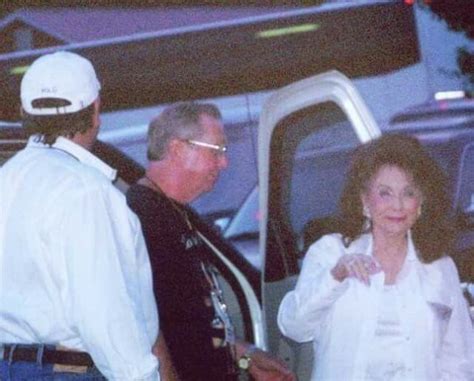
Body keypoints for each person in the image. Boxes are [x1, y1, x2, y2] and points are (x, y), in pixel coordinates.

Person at [0, 51, 160, 380]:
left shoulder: (7, 178)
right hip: (66, 372)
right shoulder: (87, 191)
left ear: (24, 113)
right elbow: (105, 316)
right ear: (96, 110)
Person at [278, 134, 474, 381]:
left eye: (408, 193)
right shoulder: (330, 252)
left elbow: (460, 361)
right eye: (385, 193)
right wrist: (335, 277)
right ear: (364, 200)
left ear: (421, 202)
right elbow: (293, 327)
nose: (398, 205)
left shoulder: (440, 267)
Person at [126, 102, 295, 381]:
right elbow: (145, 326)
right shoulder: (141, 218)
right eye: (216, 150)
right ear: (179, 149)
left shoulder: (172, 210)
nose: (224, 162)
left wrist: (244, 355)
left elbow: (190, 320)